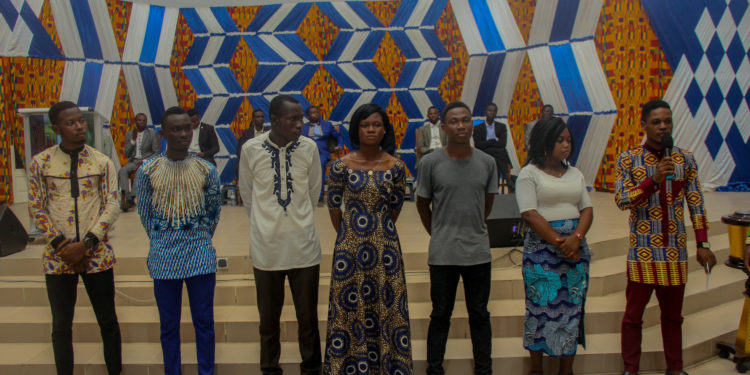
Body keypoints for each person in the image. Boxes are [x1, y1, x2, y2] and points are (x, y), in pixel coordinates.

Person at [615, 99, 716, 375]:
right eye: (656, 122)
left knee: (673, 317)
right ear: (644, 125)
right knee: (633, 316)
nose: (663, 127)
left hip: (675, 251)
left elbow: (696, 202)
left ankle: (675, 369)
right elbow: (623, 200)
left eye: (667, 121)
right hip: (642, 252)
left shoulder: (686, 159)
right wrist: (653, 180)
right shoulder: (628, 158)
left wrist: (703, 242)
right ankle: (630, 369)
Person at [28, 100, 122, 375]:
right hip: (59, 257)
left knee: (108, 321)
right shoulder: (41, 163)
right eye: (71, 123)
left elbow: (113, 204)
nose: (79, 126)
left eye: (81, 120)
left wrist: (88, 243)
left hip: (97, 254)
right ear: (56, 128)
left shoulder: (101, 161)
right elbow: (36, 205)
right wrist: (62, 245)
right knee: (60, 325)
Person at [324, 103, 412, 374]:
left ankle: (386, 366)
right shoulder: (340, 166)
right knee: (350, 307)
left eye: (376, 124)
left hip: (386, 249)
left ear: (385, 129)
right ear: (356, 129)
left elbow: (395, 207)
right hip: (349, 250)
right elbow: (334, 207)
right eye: (365, 125)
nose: (371, 129)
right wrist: (352, 235)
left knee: (386, 305)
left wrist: (376, 228)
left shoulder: (396, 167)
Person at [238, 95, 323, 375]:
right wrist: (267, 224)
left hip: (304, 248)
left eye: (301, 118)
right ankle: (270, 369)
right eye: (293, 119)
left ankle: (311, 368)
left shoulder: (310, 148)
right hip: (266, 250)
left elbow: (313, 192)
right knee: (268, 321)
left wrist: (295, 221)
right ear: (273, 120)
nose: (301, 124)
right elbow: (247, 195)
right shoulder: (251, 149)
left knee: (308, 319)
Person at [135, 106, 221, 375]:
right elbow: (146, 214)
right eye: (176, 129)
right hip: (163, 256)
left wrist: (196, 235)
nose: (184, 134)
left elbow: (213, 211)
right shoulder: (148, 170)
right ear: (163, 133)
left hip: (200, 254)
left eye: (187, 128)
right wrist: (164, 238)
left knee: (204, 322)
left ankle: (205, 371)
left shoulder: (206, 169)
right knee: (169, 325)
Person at [416, 101, 498, 375]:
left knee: (480, 315)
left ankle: (484, 369)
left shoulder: (488, 162)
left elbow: (487, 204)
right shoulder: (429, 163)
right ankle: (434, 369)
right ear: (444, 126)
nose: (460, 126)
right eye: (454, 121)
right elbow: (422, 204)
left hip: (477, 252)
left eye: (465, 120)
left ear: (471, 124)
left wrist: (473, 228)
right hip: (443, 254)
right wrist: (439, 232)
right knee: (440, 314)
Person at [515, 117, 593, 375]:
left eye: (568, 140)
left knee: (571, 310)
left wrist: (576, 239)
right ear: (545, 141)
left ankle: (565, 369)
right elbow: (529, 213)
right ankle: (536, 369)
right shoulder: (529, 173)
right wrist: (561, 242)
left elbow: (587, 209)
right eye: (560, 140)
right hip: (542, 253)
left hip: (575, 253)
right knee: (539, 310)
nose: (566, 145)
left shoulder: (576, 173)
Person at [118, 112, 160, 212]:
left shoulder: (152, 133)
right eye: (139, 120)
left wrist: (145, 161)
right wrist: (132, 140)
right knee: (122, 171)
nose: (142, 122)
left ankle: (132, 198)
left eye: (144, 120)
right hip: (133, 161)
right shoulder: (129, 134)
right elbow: (127, 154)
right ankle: (126, 197)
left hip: (146, 161)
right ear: (135, 121)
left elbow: (156, 152)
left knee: (139, 171)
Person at [302, 105, 343, 204]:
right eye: (312, 113)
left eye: (317, 112)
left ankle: (319, 196)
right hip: (306, 153)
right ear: (307, 116)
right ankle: (304, 196)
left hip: (322, 153)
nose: (316, 114)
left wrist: (340, 145)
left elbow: (339, 136)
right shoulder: (304, 127)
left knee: (319, 165)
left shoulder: (327, 125)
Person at [473, 102, 514, 192]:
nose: (491, 113)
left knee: (500, 153)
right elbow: (478, 145)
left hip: (494, 151)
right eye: (489, 110)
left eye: (493, 111)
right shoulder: (478, 128)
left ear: (496, 113)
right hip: (485, 153)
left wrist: (487, 143)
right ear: (485, 112)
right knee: (501, 153)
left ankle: (495, 187)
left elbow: (503, 143)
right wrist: (493, 141)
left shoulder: (501, 127)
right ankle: (507, 177)